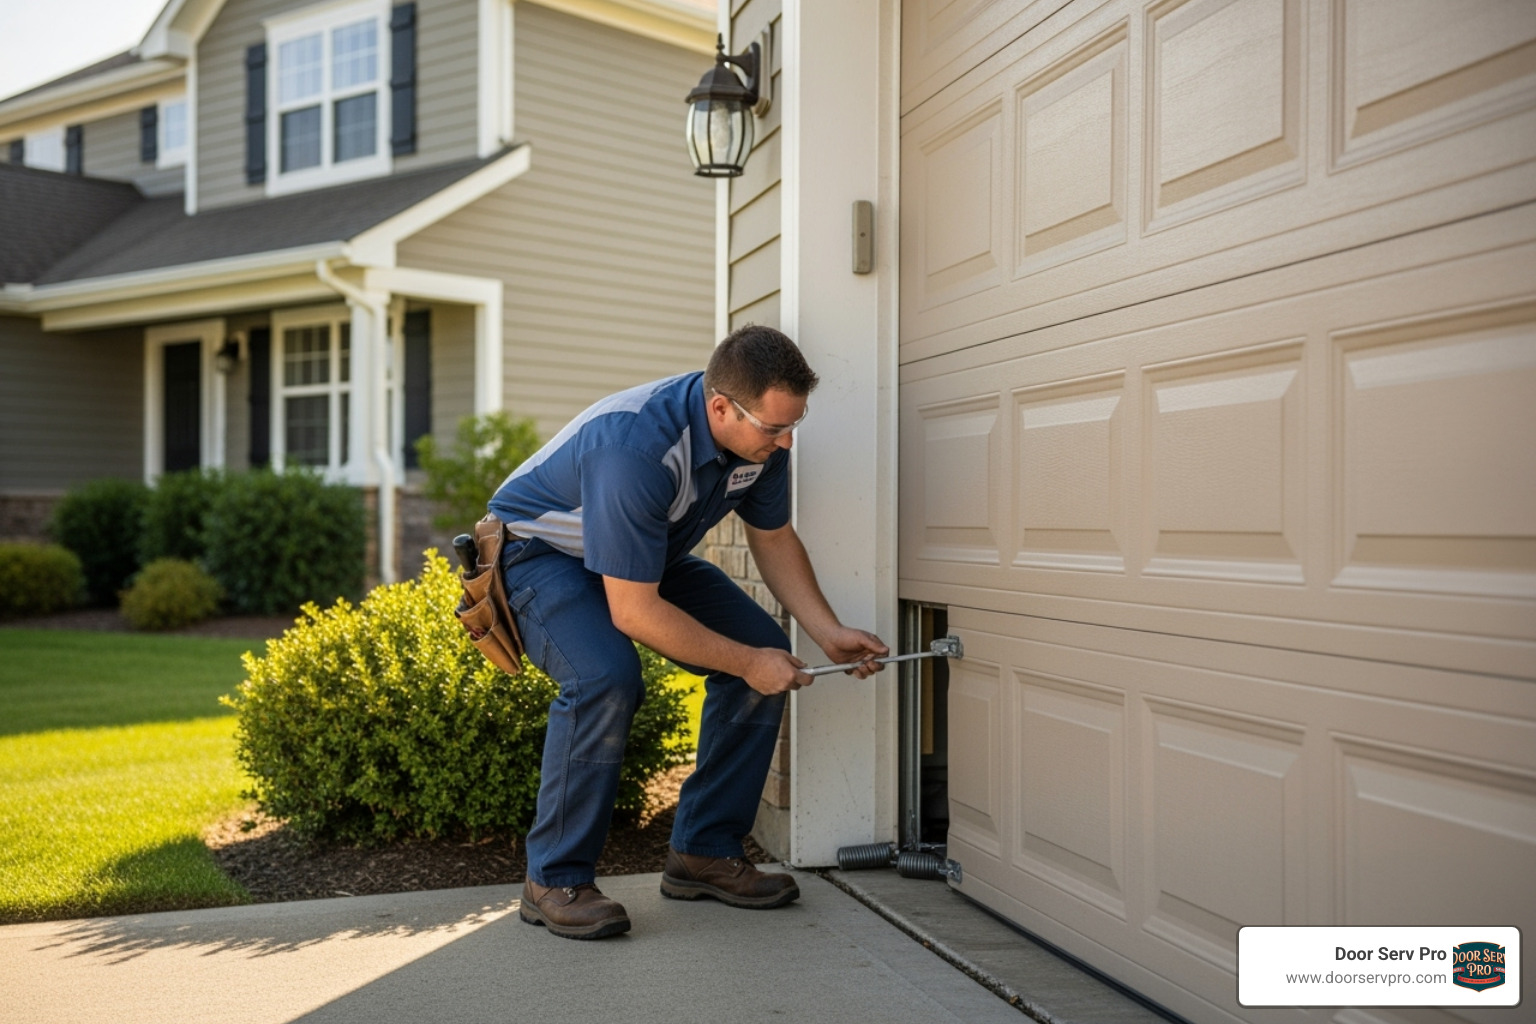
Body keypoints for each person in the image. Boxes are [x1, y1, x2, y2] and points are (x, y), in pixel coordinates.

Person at [488, 324, 889, 940]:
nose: (785, 444)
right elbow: (635, 613)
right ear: (721, 407)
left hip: (649, 555)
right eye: (774, 429)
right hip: (539, 557)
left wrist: (827, 631)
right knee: (605, 677)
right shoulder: (636, 449)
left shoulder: (759, 447)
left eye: (793, 428)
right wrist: (745, 662)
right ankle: (553, 879)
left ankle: (703, 852)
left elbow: (774, 538)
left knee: (766, 652)